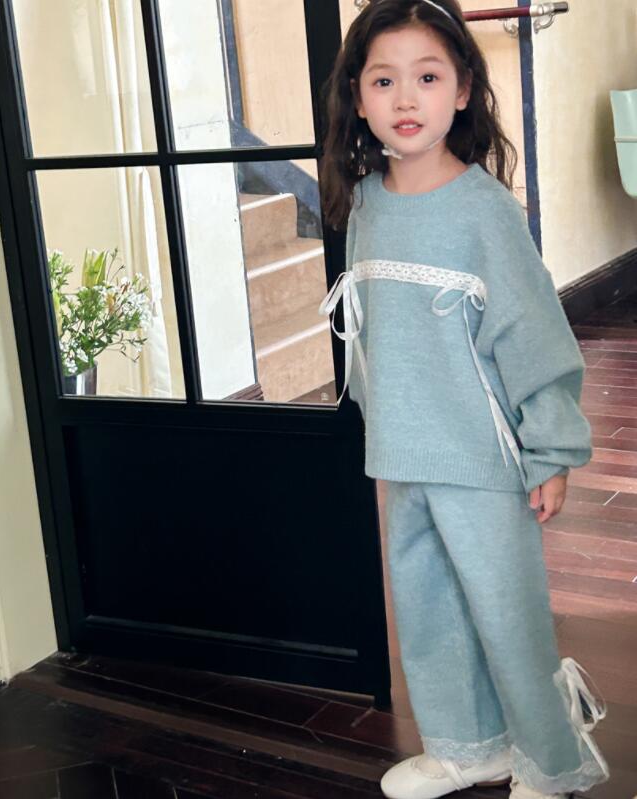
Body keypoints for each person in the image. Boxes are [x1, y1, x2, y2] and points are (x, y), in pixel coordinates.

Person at [317, 2, 611, 798]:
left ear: (461, 90)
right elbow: (375, 335)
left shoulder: (484, 212)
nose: (405, 98)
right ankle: (467, 745)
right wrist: (379, 421)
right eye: (383, 81)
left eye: (426, 76)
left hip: (482, 457)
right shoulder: (366, 204)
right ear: (357, 96)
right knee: (428, 609)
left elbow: (533, 336)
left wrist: (549, 451)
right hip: (402, 451)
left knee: (507, 616)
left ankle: (551, 760)